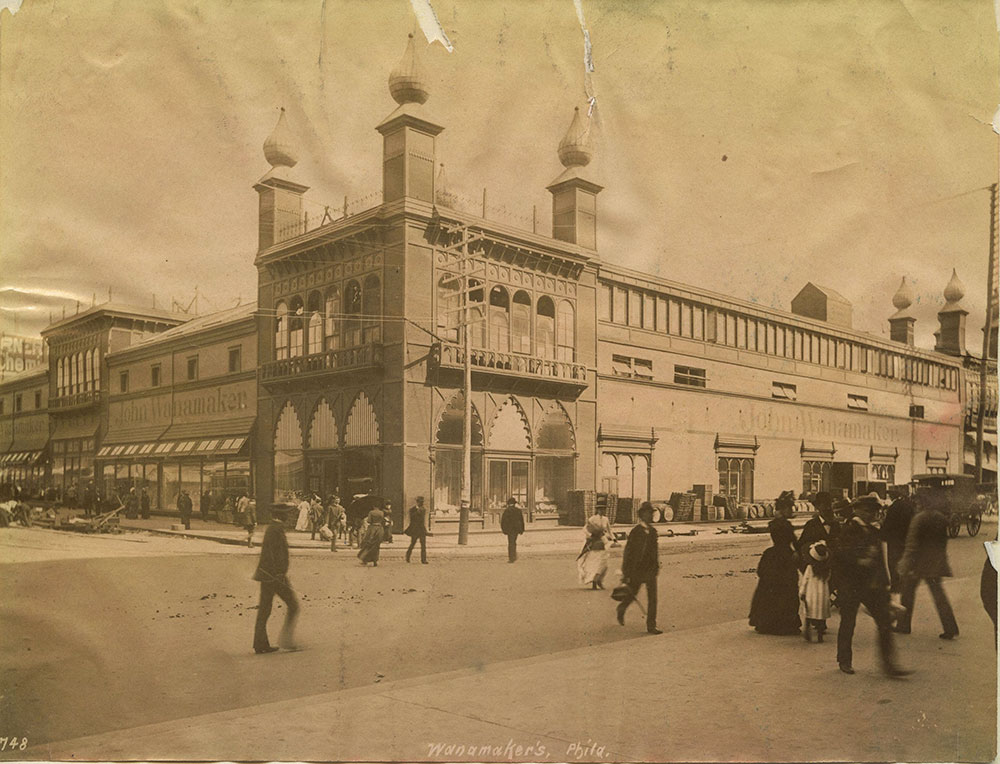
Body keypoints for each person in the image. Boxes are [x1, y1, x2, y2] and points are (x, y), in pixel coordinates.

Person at [834, 495, 909, 677]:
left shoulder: (874, 531)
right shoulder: (849, 529)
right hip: (851, 584)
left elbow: (880, 559)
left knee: (884, 621)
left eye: (873, 511)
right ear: (857, 510)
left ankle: (889, 664)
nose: (871, 515)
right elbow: (840, 555)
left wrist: (885, 582)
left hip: (871, 585)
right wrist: (860, 560)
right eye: (867, 511)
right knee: (848, 622)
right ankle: (844, 660)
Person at [895, 493, 958, 639]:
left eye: (917, 501)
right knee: (939, 596)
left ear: (921, 503)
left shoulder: (919, 519)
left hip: (917, 565)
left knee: (907, 594)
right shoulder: (940, 517)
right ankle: (951, 627)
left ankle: (903, 625)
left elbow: (911, 545)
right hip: (935, 563)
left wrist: (904, 565)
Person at [252, 510, 299, 654]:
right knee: (293, 605)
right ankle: (286, 640)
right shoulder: (276, 529)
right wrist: (277, 573)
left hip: (270, 575)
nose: (289, 516)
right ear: (281, 515)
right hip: (274, 576)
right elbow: (272, 553)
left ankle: (260, 644)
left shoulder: (273, 528)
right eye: (287, 514)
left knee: (264, 610)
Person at [748, 519, 801, 635]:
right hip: (787, 591)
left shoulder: (769, 553)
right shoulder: (791, 554)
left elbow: (760, 571)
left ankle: (767, 623)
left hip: (769, 590)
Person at [616, 501, 661, 634]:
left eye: (652, 513)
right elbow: (628, 553)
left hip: (650, 570)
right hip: (637, 570)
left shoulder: (653, 532)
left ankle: (651, 626)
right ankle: (621, 608)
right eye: (648, 513)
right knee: (632, 593)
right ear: (642, 515)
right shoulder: (636, 532)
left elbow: (655, 551)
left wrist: (656, 566)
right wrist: (626, 572)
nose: (651, 516)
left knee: (653, 598)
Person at [881, 494, 915, 594]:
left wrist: (883, 536)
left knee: (893, 563)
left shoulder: (893, 507)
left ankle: (895, 586)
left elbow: (887, 525)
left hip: (894, 540)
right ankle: (903, 584)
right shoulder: (909, 506)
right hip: (905, 539)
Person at [800, 541, 832, 642]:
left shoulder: (810, 568)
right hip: (823, 593)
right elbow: (828, 579)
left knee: (809, 611)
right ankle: (820, 634)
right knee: (821, 614)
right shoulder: (827, 569)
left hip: (811, 593)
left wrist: (802, 592)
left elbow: (805, 581)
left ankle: (807, 627)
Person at [577, 506, 613, 589]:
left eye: (604, 509)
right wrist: (590, 536)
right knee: (595, 563)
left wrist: (614, 539)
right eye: (600, 509)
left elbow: (609, 530)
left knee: (604, 564)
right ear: (597, 510)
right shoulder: (592, 519)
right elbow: (585, 529)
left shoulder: (605, 519)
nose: (602, 511)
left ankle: (599, 580)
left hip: (602, 542)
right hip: (594, 542)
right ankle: (594, 582)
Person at [405, 496, 429, 564]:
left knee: (423, 545)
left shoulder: (423, 509)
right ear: (417, 502)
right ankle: (408, 556)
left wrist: (425, 529)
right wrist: (417, 510)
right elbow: (412, 517)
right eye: (420, 502)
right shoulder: (412, 509)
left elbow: (423, 520)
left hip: (421, 529)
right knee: (412, 544)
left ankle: (423, 560)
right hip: (415, 529)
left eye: (422, 502)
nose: (421, 503)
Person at [500, 497, 525, 563]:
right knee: (514, 542)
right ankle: (514, 556)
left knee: (511, 543)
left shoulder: (507, 511)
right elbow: (521, 521)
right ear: (514, 504)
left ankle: (511, 557)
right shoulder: (518, 510)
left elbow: (503, 521)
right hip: (516, 529)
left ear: (508, 504)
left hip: (509, 530)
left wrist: (504, 530)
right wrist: (522, 529)